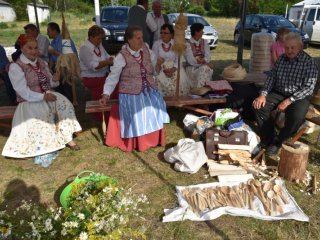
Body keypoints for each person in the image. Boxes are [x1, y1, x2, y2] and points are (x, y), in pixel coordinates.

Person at [2, 34, 82, 162]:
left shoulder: (42, 62)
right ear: (22, 48)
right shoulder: (16, 67)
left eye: (36, 48)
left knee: (65, 104)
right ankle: (49, 142)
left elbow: (49, 83)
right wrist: (43, 96)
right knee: (43, 112)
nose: (34, 51)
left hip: (48, 94)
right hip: (30, 100)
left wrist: (54, 80)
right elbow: (22, 91)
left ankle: (67, 137)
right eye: (30, 48)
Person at [99, 26, 170, 152]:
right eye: (138, 38)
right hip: (130, 92)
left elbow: (154, 71)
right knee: (139, 108)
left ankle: (153, 140)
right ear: (129, 40)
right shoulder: (122, 56)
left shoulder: (147, 49)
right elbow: (113, 77)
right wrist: (106, 94)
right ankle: (141, 142)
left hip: (149, 88)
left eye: (142, 37)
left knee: (157, 103)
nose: (141, 40)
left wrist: (158, 64)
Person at [252, 32, 318, 155]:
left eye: (293, 47)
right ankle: (269, 137)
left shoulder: (309, 62)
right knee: (259, 106)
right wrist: (263, 94)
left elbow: (308, 87)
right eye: (287, 47)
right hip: (280, 92)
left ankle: (279, 141)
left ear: (300, 46)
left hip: (299, 96)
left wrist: (289, 101)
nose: (289, 51)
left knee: (296, 117)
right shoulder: (281, 59)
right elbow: (271, 78)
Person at [152, 23, 190, 96]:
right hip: (161, 68)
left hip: (175, 67)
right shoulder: (156, 44)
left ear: (171, 34)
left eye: (165, 33)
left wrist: (173, 69)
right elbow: (154, 59)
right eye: (161, 33)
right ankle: (165, 102)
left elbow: (179, 59)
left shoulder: (176, 44)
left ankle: (178, 102)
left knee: (180, 80)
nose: (162, 35)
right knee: (159, 79)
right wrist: (161, 67)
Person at [80, 25, 114, 104]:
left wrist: (112, 59)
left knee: (115, 83)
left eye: (101, 38)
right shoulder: (84, 48)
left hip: (102, 76)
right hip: (91, 78)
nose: (100, 41)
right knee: (112, 87)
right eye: (98, 39)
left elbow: (107, 56)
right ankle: (104, 112)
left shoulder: (99, 45)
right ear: (91, 37)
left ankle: (110, 111)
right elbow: (93, 66)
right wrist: (107, 62)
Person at [47, 22, 78, 101]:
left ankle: (69, 103)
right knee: (58, 88)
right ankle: (61, 102)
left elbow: (67, 57)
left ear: (54, 31)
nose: (47, 33)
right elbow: (51, 57)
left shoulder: (64, 40)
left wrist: (53, 51)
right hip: (57, 67)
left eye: (49, 31)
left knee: (66, 87)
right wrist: (50, 67)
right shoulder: (53, 42)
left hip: (65, 67)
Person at [185, 23, 214, 89]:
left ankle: (202, 90)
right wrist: (204, 62)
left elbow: (208, 56)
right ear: (196, 32)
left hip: (203, 66)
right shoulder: (187, 44)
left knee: (205, 69)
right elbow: (190, 61)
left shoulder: (205, 42)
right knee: (205, 68)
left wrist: (204, 61)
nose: (203, 32)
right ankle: (200, 90)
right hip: (192, 69)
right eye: (201, 31)